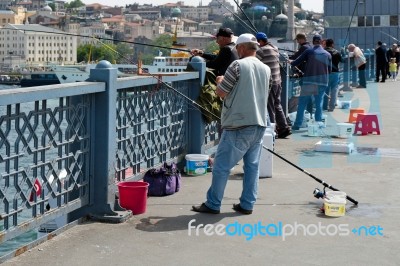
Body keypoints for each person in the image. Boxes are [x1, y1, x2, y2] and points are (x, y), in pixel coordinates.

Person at [192, 33, 271, 215]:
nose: (236, 51)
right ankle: (247, 204)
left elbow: (221, 92)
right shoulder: (265, 68)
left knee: (221, 166)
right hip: (259, 123)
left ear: (242, 48)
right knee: (252, 167)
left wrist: (220, 80)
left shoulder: (237, 65)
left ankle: (213, 204)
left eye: (237, 48)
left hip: (238, 124)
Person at [289, 34, 332, 130]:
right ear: (321, 42)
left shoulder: (308, 51)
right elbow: (329, 70)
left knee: (302, 103)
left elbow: (296, 62)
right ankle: (318, 124)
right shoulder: (328, 54)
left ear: (313, 42)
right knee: (318, 104)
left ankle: (297, 125)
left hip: (309, 81)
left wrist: (290, 61)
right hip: (322, 82)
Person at [255, 32, 291, 139]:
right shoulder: (274, 47)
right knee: (277, 105)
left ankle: (272, 131)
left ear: (260, 41)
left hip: (269, 83)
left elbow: (252, 60)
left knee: (269, 107)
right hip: (278, 81)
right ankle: (284, 127)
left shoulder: (262, 50)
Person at [290, 33, 313, 118]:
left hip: (304, 74)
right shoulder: (310, 46)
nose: (298, 41)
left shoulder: (303, 47)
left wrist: (288, 59)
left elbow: (295, 57)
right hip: (311, 74)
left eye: (298, 40)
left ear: (301, 39)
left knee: (305, 95)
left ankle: (305, 114)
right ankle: (310, 112)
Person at [323, 38, 342, 111]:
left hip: (325, 73)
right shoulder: (336, 52)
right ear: (332, 44)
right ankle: (331, 107)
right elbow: (342, 60)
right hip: (335, 73)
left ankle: (324, 106)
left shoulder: (323, 52)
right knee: (334, 90)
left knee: (325, 90)